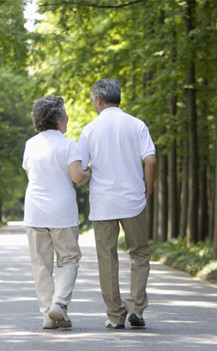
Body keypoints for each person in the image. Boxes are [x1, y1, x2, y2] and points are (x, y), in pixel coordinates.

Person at [77, 79, 158, 329]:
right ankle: (136, 308)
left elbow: (80, 171)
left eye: (93, 100)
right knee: (140, 254)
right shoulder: (137, 125)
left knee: (107, 258)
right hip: (133, 200)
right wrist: (147, 190)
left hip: (103, 204)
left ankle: (115, 315)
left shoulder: (90, 130)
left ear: (99, 100)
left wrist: (92, 183)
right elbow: (151, 161)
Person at [23, 95, 92, 329]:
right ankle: (60, 304)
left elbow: (30, 175)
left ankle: (47, 315)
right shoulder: (68, 144)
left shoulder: (30, 144)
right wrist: (88, 173)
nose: (68, 118)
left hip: (35, 213)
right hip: (62, 213)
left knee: (41, 264)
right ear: (59, 118)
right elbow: (77, 176)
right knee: (69, 259)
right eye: (65, 114)